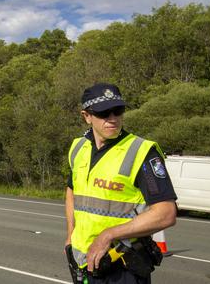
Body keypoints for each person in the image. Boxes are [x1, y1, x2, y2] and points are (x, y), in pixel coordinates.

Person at [64, 83, 177, 284]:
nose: (112, 118)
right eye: (103, 113)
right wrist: (70, 235)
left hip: (122, 267)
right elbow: (72, 190)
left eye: (118, 111)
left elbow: (165, 213)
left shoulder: (141, 152)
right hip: (83, 263)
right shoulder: (78, 148)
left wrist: (109, 235)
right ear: (86, 116)